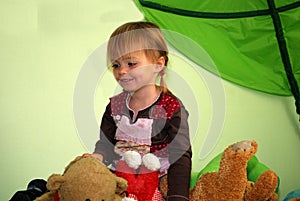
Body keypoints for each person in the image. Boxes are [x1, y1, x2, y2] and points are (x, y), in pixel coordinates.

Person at [92, 21, 192, 201]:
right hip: (119, 179)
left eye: (131, 63)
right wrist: (97, 157)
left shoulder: (171, 108)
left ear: (158, 65)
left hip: (156, 181)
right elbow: (106, 144)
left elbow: (180, 156)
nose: (121, 71)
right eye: (115, 65)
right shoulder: (115, 106)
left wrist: (177, 197)